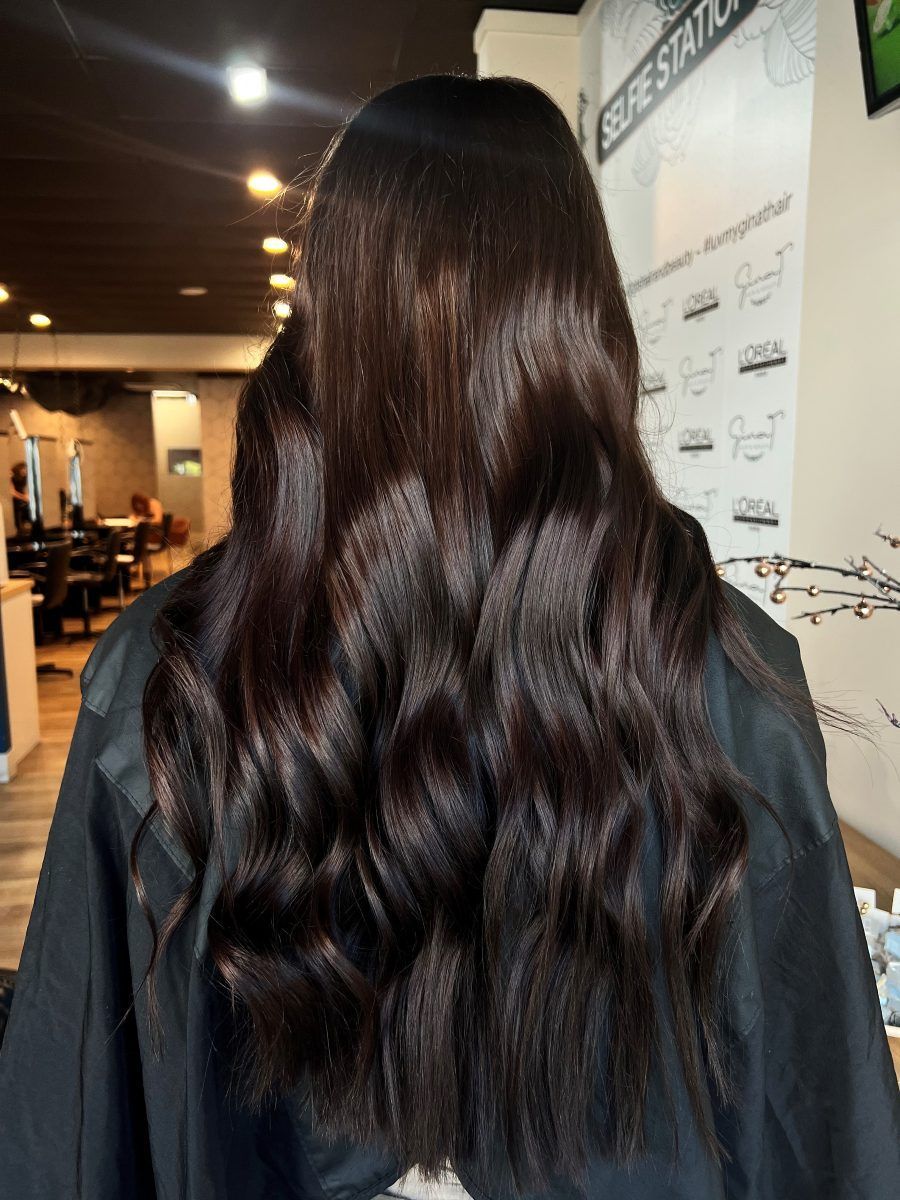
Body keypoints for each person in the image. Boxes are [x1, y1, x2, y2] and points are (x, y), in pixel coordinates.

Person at [0, 75, 897, 1200]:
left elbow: (74, 1130)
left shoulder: (162, 682)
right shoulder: (729, 684)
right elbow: (818, 1127)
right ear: (584, 321)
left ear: (325, 315)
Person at [10, 460, 29, 534]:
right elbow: (12, 492)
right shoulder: (12, 476)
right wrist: (23, 497)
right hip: (15, 500)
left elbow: (23, 489)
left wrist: (26, 495)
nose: (25, 471)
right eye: (23, 469)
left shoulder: (24, 477)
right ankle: (19, 529)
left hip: (22, 498)